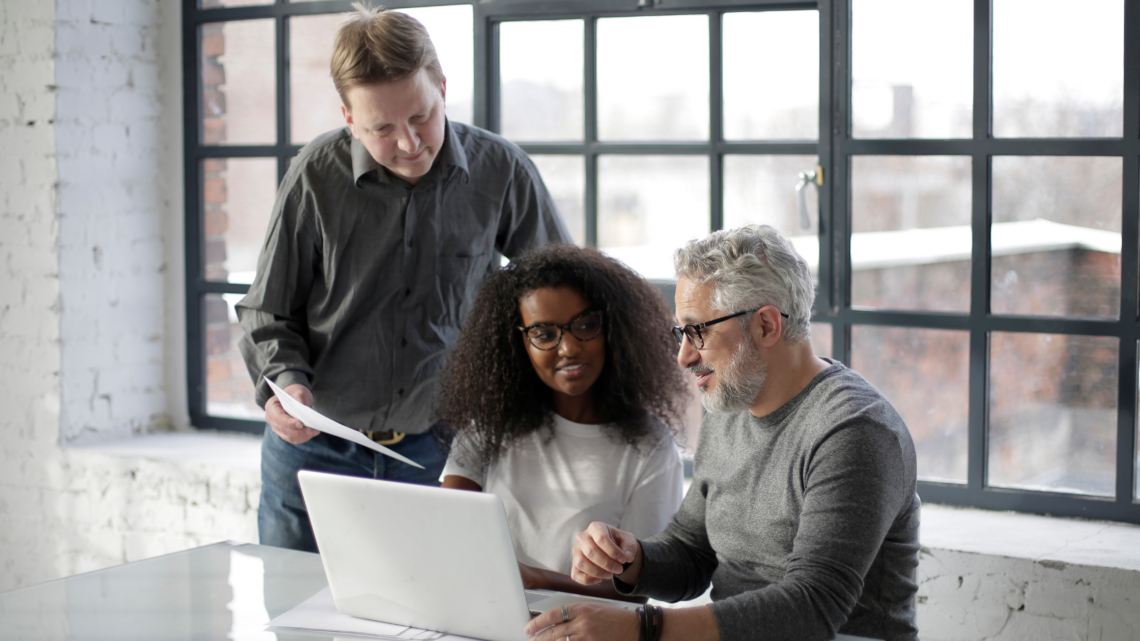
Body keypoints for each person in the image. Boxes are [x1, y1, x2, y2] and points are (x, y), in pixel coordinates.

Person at [236, 5, 571, 552]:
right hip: (315, 454)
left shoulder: (501, 170)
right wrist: (284, 382)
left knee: (433, 627)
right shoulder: (315, 175)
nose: (409, 143)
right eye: (382, 128)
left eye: (421, 116)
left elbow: (561, 294)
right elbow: (267, 311)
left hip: (444, 453)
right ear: (348, 118)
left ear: (442, 86)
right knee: (298, 624)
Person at [526, 224, 921, 641]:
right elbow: (692, 552)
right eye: (681, 332)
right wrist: (628, 559)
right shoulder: (730, 403)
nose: (683, 357)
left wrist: (644, 628)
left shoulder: (855, 431)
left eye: (698, 330)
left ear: (766, 326)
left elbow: (813, 605)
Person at [438, 244, 689, 602]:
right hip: (484, 619)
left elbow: (637, 591)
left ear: (613, 328)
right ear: (517, 342)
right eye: (544, 334)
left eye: (585, 325)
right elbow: (446, 531)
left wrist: (534, 579)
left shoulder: (651, 446)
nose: (568, 348)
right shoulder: (488, 428)